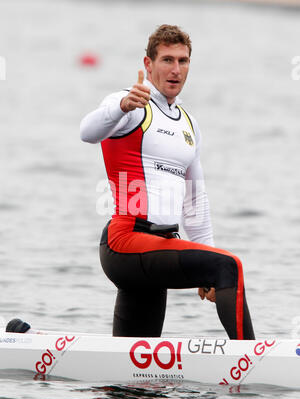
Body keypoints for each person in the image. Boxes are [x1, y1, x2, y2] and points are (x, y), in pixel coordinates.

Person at [79, 24, 255, 340]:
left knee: (135, 372)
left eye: (183, 61)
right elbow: (87, 132)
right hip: (126, 241)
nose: (175, 70)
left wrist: (207, 263)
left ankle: (125, 386)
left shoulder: (189, 125)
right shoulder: (131, 103)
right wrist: (121, 106)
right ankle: (252, 361)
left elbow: (195, 203)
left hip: (158, 249)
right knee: (230, 266)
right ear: (148, 65)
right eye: (167, 60)